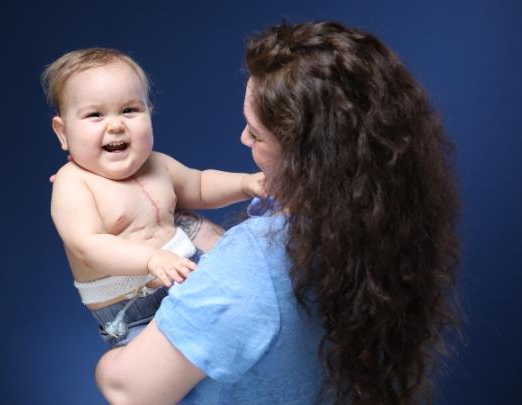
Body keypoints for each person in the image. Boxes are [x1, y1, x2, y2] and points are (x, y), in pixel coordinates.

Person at [95, 21, 460, 404]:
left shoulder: (252, 265)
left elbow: (128, 391)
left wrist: (109, 363)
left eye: (256, 134)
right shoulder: (377, 225)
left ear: (306, 158)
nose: (243, 138)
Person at [43, 48, 265, 347]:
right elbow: (88, 245)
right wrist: (150, 259)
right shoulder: (74, 183)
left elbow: (199, 185)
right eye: (95, 115)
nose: (116, 124)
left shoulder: (157, 164)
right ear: (63, 132)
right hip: (133, 312)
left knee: (237, 328)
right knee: (155, 371)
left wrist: (245, 183)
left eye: (130, 110)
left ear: (149, 111)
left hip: (183, 280)